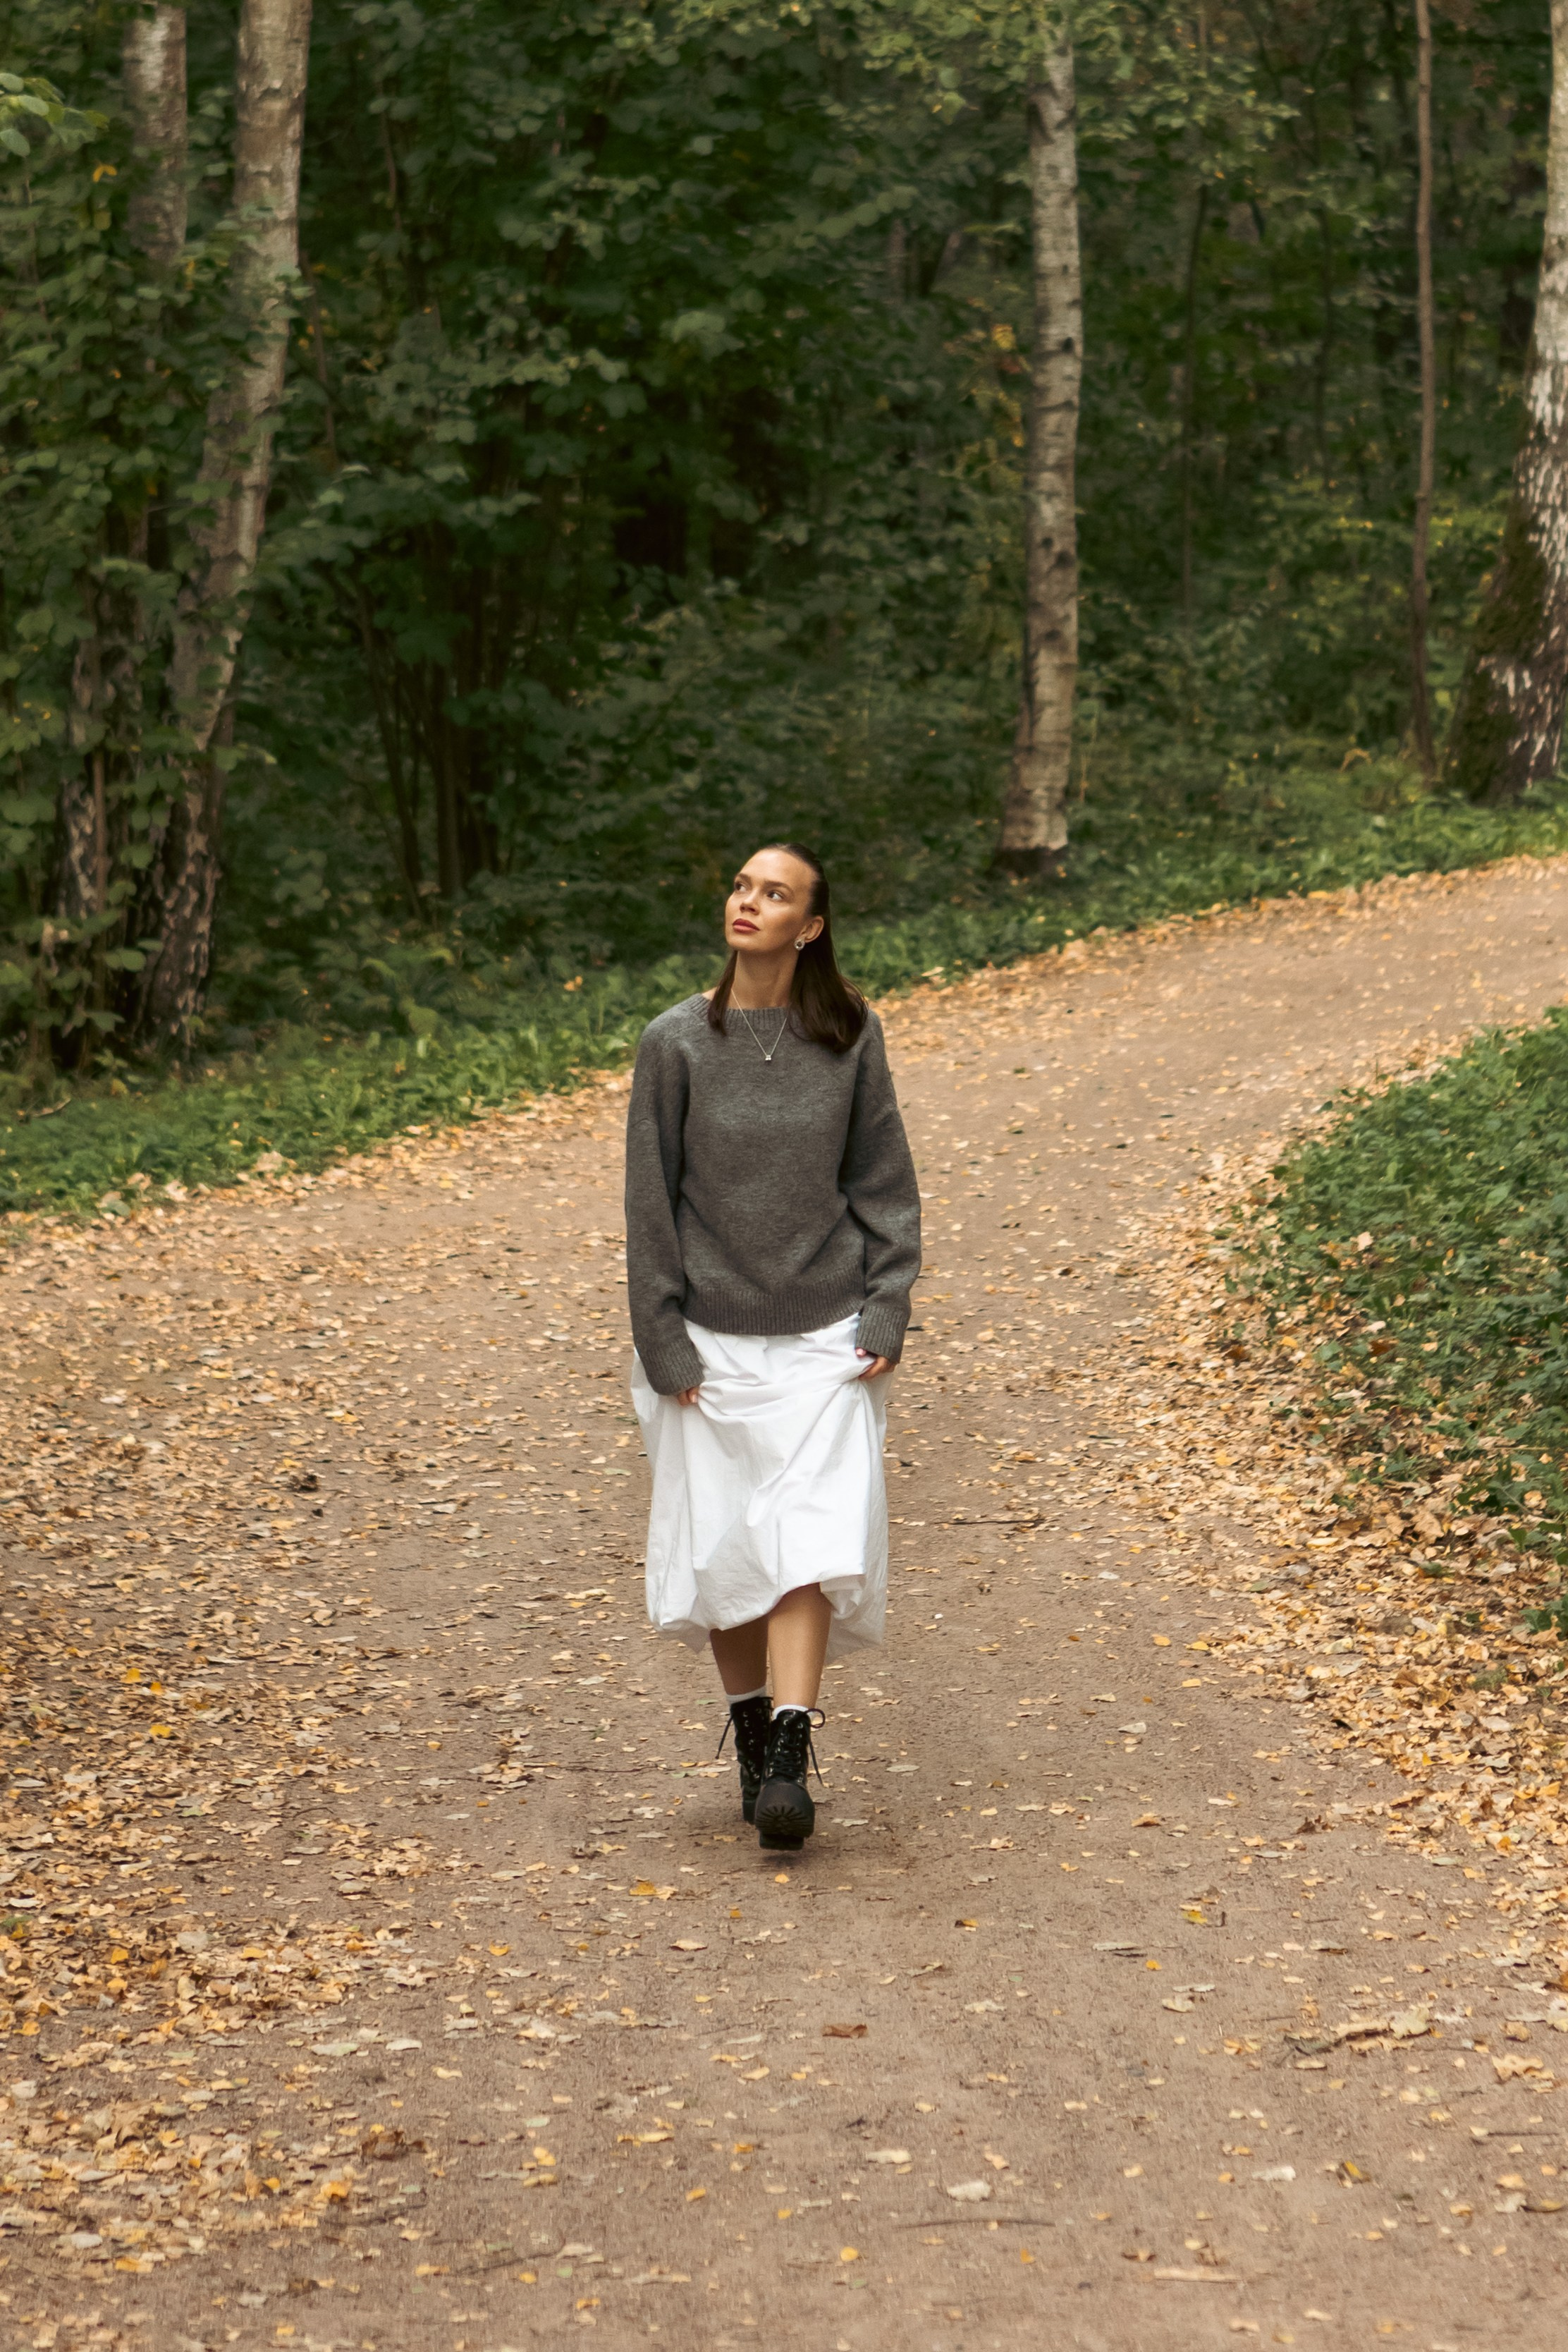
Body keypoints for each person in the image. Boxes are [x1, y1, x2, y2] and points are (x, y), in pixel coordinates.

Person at [624, 844, 921, 1853]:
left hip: (826, 1336)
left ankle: (792, 1749)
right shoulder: (675, 1043)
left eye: (776, 894)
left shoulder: (848, 1037)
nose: (750, 903)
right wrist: (663, 1342)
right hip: (706, 1339)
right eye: (744, 887)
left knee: (808, 1537)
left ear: (812, 926)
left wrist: (887, 1307)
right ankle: (751, 1730)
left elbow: (885, 1183)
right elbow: (648, 1207)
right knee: (726, 1552)